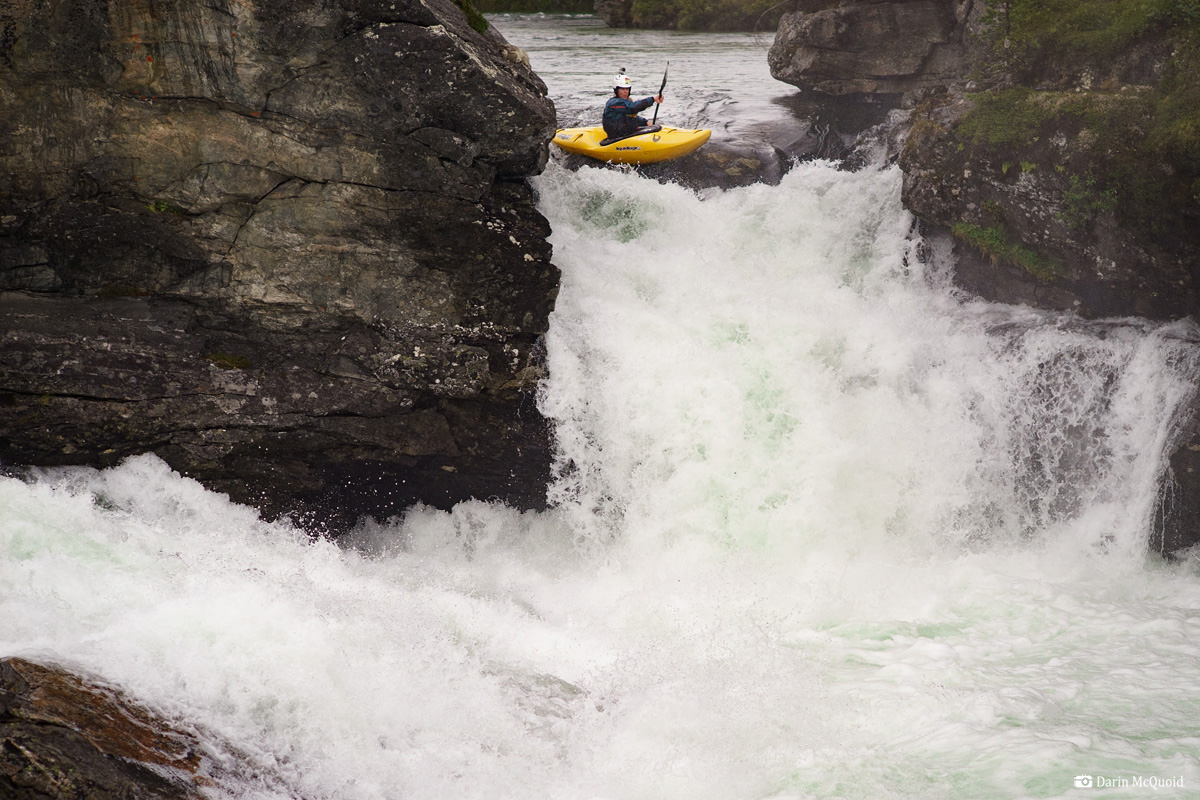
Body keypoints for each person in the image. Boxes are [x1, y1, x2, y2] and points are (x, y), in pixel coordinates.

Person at [602, 71, 663, 139]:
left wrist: (645, 122)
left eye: (627, 89)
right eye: (622, 89)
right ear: (616, 90)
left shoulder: (625, 103)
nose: (625, 91)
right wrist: (652, 99)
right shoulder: (614, 103)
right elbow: (633, 107)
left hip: (627, 134)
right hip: (616, 137)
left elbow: (631, 117)